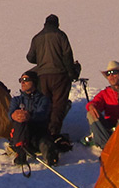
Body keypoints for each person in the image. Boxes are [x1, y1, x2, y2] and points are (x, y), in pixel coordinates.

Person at [27, 14, 80, 145]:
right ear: (57, 24)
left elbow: (30, 57)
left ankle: (43, 133)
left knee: (45, 104)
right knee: (58, 105)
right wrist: (71, 72)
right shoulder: (60, 35)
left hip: (42, 76)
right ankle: (53, 132)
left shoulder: (37, 37)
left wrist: (41, 59)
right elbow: (67, 55)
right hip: (59, 75)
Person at [8, 71, 56, 166]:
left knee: (45, 143)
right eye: (21, 80)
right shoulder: (16, 100)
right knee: (19, 120)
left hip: (38, 132)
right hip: (22, 134)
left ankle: (50, 156)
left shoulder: (43, 99)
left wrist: (29, 115)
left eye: (25, 80)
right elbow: (10, 114)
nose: (22, 82)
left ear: (33, 82)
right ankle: (20, 153)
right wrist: (14, 115)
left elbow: (42, 114)